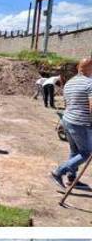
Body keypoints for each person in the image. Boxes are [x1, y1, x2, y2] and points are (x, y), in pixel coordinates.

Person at [52, 58, 92, 190]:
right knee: (86, 153)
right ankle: (58, 172)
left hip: (67, 120)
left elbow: (68, 104)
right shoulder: (89, 83)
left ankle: (71, 178)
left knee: (75, 151)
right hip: (81, 123)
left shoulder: (69, 83)